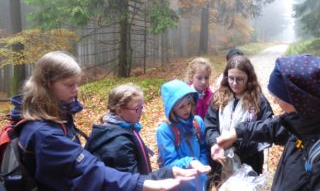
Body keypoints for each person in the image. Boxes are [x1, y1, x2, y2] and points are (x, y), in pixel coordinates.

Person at [13, 51, 197, 191]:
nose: (76, 90)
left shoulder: (56, 119)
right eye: (69, 85)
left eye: (77, 83)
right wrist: (144, 183)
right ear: (47, 85)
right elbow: (88, 172)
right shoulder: (44, 134)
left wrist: (167, 172)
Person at [216, 54, 320, 190]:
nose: (274, 99)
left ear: (300, 100)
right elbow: (277, 126)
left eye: (278, 95)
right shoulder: (311, 117)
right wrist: (237, 132)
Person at [204, 55, 274, 185]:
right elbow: (210, 125)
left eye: (240, 79)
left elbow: (267, 129)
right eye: (231, 78)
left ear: (249, 79)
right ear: (226, 77)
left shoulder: (258, 100)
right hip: (221, 159)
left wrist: (238, 143)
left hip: (248, 161)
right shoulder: (219, 97)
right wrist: (215, 143)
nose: (234, 83)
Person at [85, 83, 179, 179]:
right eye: (137, 108)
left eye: (142, 107)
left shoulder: (122, 128)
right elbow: (132, 183)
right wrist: (168, 173)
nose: (142, 111)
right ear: (119, 111)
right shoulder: (119, 143)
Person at [156, 79, 211, 191]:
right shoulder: (165, 131)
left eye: (189, 104)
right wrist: (190, 162)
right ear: (172, 109)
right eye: (181, 107)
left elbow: (204, 148)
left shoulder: (197, 122)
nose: (187, 109)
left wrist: (202, 167)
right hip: (180, 184)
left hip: (201, 182)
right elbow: (169, 163)